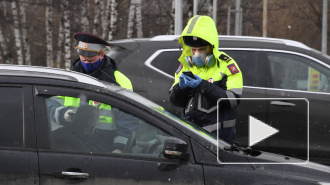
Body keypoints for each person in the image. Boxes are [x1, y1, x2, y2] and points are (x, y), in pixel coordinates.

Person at [169, 15, 243, 144]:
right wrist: (180, 89)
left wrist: (202, 86)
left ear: (210, 48)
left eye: (201, 50)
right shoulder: (185, 66)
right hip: (190, 137)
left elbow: (232, 100)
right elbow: (175, 101)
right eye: (193, 50)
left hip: (218, 141)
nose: (196, 54)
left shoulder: (226, 66)